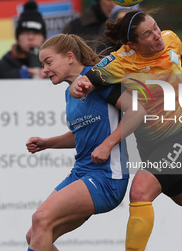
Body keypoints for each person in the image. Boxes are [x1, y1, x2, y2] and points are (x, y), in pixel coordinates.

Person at [69, 10, 182, 251]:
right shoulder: (119, 63)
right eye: (148, 34)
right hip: (150, 145)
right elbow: (87, 80)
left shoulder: (169, 39)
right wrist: (78, 88)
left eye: (155, 27)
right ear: (132, 44)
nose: (157, 36)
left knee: (141, 189)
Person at [25, 34, 146, 251]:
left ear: (69, 57)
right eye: (43, 65)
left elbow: (137, 111)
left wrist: (108, 144)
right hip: (81, 173)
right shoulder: (69, 93)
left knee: (40, 219)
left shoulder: (98, 79)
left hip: (107, 177)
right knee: (34, 235)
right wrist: (48, 143)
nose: (44, 70)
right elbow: (81, 134)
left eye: (49, 62)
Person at [0, 0, 47, 79]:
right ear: (18, 38)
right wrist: (17, 75)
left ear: (44, 38)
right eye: (26, 33)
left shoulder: (55, 63)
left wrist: (53, 75)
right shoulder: (3, 65)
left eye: (36, 33)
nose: (31, 37)